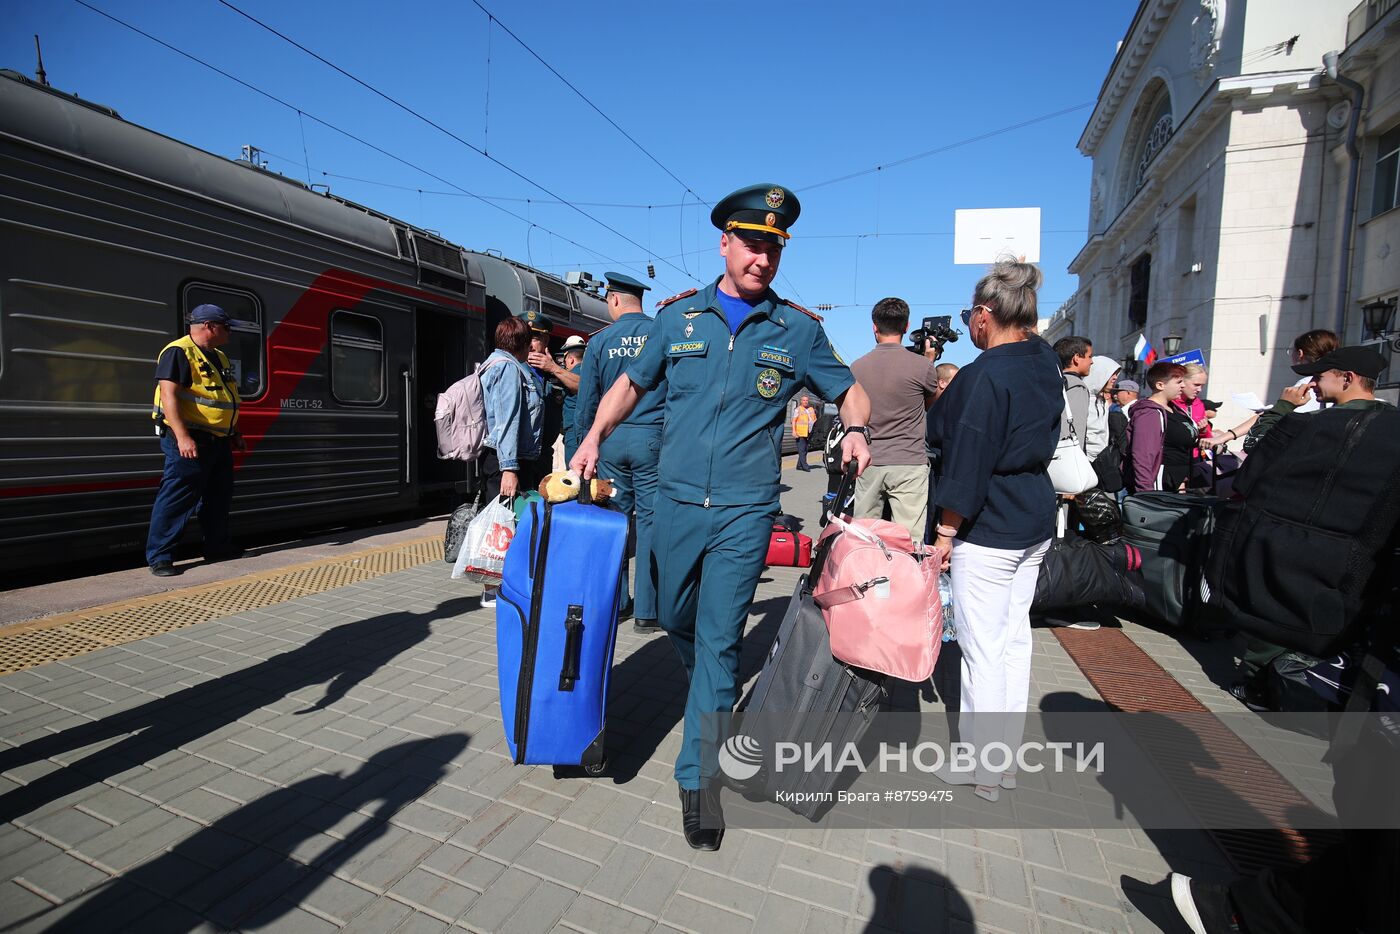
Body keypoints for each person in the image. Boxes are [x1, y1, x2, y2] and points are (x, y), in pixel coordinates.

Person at [571, 183, 872, 850]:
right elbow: (630, 384)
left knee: (718, 643)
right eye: (752, 243)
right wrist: (592, 436)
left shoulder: (796, 329)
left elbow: (849, 391)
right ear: (725, 243)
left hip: (745, 512)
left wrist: (856, 430)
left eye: (774, 246)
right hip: (673, 507)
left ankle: (699, 781)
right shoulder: (676, 322)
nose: (762, 257)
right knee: (673, 617)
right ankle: (713, 683)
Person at [1167, 345, 1399, 934]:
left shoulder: (1318, 429)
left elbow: (1252, 476)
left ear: (1347, 378)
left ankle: (1255, 910)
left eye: (1319, 376)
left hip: (1336, 632)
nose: (1314, 385)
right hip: (1348, 622)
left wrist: (1278, 417)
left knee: (1372, 822)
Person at [927, 260, 1063, 801]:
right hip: (1033, 515)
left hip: (990, 524)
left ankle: (983, 766)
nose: (968, 326)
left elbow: (969, 460)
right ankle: (1003, 761)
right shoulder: (1044, 361)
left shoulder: (986, 374)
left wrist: (944, 532)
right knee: (1013, 641)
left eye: (969, 316)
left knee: (982, 651)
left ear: (985, 315)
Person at [574, 271, 664, 633]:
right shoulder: (660, 333)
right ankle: (648, 610)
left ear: (613, 300)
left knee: (615, 521)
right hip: (652, 440)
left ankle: (617, 604)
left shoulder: (600, 341)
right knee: (650, 523)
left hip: (609, 441)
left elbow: (588, 401)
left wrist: (582, 444)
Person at [145, 304, 246, 577]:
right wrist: (182, 437)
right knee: (177, 497)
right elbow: (169, 397)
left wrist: (234, 432)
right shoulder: (178, 351)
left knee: (218, 497)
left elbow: (222, 398)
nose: (230, 333)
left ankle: (217, 547)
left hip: (218, 441)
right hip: (190, 440)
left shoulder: (220, 357)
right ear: (209, 326)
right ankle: (161, 557)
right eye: (226, 327)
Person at [849, 297, 940, 542]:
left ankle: (865, 578)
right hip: (909, 462)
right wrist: (929, 361)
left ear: (874, 327)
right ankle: (904, 580)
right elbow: (931, 401)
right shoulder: (922, 366)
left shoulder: (857, 367)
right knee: (908, 541)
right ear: (906, 326)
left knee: (864, 537)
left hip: (869, 462)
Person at [479, 316, 544, 608]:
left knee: (505, 522)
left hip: (505, 457)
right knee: (504, 524)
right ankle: (495, 589)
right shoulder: (506, 368)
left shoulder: (494, 363)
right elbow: (507, 420)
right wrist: (509, 468)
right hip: (507, 458)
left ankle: (500, 586)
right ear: (520, 342)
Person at [1209, 329, 1339, 453]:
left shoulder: (1306, 385)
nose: (1314, 384)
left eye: (1319, 378)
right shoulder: (1329, 383)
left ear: (1300, 354)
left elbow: (1276, 416)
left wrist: (1226, 436)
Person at [521, 311, 579, 477]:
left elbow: (584, 388)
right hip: (519, 457)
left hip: (543, 456)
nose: (529, 345)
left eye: (534, 338)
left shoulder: (554, 372)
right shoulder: (513, 368)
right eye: (524, 338)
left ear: (545, 341)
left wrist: (554, 368)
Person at [1124, 361, 1194, 494]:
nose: (1183, 386)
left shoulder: (1174, 408)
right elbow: (1143, 455)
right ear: (1160, 385)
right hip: (1159, 486)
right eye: (1178, 382)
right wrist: (1146, 493)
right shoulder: (1149, 413)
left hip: (1176, 484)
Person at [1053, 335, 1094, 459]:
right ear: (1076, 358)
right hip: (1067, 457)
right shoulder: (1076, 386)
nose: (1091, 361)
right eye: (1089, 356)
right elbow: (1075, 429)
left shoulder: (1054, 379)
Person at [559, 335, 587, 465]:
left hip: (574, 434)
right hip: (586, 432)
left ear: (570, 359)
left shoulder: (571, 376)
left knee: (574, 479)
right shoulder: (590, 372)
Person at [791, 394, 818, 470]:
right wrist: (794, 431)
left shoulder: (811, 409)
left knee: (805, 449)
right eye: (804, 400)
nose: (805, 402)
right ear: (801, 401)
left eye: (806, 400)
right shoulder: (798, 409)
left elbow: (815, 420)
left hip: (809, 432)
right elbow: (793, 421)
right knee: (802, 450)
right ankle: (805, 466)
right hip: (800, 433)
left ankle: (799, 465)